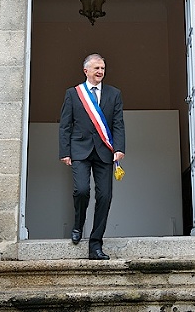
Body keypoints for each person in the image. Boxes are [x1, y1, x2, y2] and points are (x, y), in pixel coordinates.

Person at [59, 53, 125, 260]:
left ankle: (96, 243)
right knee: (81, 190)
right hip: (79, 150)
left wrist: (119, 148)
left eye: (103, 68)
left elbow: (118, 123)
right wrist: (65, 151)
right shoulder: (73, 94)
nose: (100, 72)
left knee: (105, 196)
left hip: (105, 152)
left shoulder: (114, 94)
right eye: (96, 68)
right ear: (85, 70)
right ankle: (78, 224)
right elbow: (65, 125)